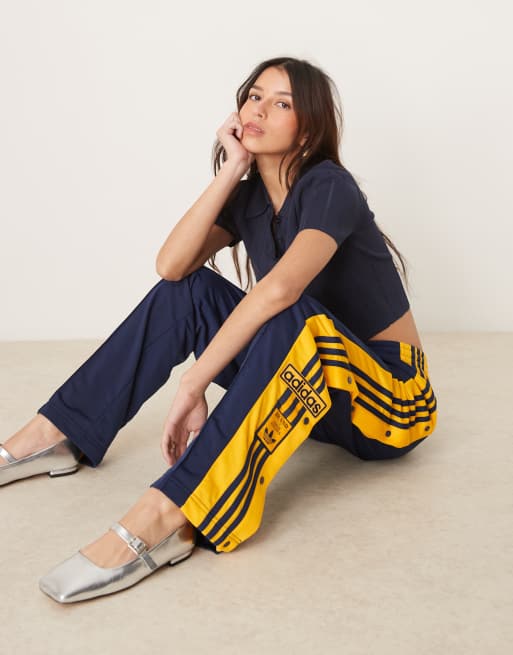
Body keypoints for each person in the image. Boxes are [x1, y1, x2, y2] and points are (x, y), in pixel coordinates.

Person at [0, 56, 437, 603]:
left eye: (282, 103)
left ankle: (170, 513)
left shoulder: (330, 186)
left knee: (293, 315)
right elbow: (171, 267)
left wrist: (194, 381)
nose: (260, 110)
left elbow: (280, 292)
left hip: (392, 403)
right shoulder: (249, 196)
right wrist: (232, 170)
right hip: (314, 391)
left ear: (309, 128)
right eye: (255, 96)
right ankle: (57, 433)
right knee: (188, 292)